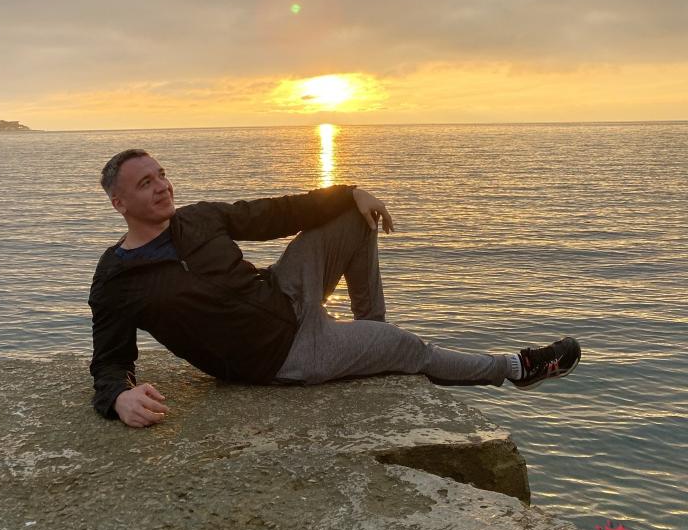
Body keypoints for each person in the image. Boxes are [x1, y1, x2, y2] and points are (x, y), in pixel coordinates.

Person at [88, 148, 581, 428]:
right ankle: (515, 369)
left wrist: (349, 192)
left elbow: (278, 213)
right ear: (119, 203)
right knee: (409, 348)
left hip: (283, 293)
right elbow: (109, 361)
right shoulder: (117, 280)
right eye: (146, 183)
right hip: (281, 355)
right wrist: (118, 399)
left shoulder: (198, 219)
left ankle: (370, 334)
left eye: (162, 175)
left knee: (351, 217)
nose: (162, 186)